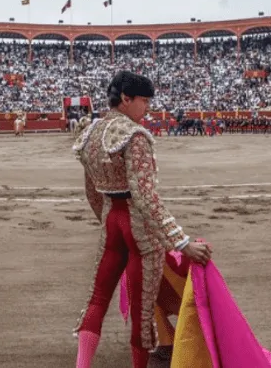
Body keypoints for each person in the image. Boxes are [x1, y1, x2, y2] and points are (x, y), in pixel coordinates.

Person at [72, 71, 212, 368]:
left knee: (97, 299)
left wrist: (108, 220)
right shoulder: (135, 136)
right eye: (144, 100)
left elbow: (92, 191)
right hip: (140, 231)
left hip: (111, 222)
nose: (147, 107)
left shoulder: (90, 133)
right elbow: (146, 197)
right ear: (126, 99)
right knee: (142, 311)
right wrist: (182, 242)